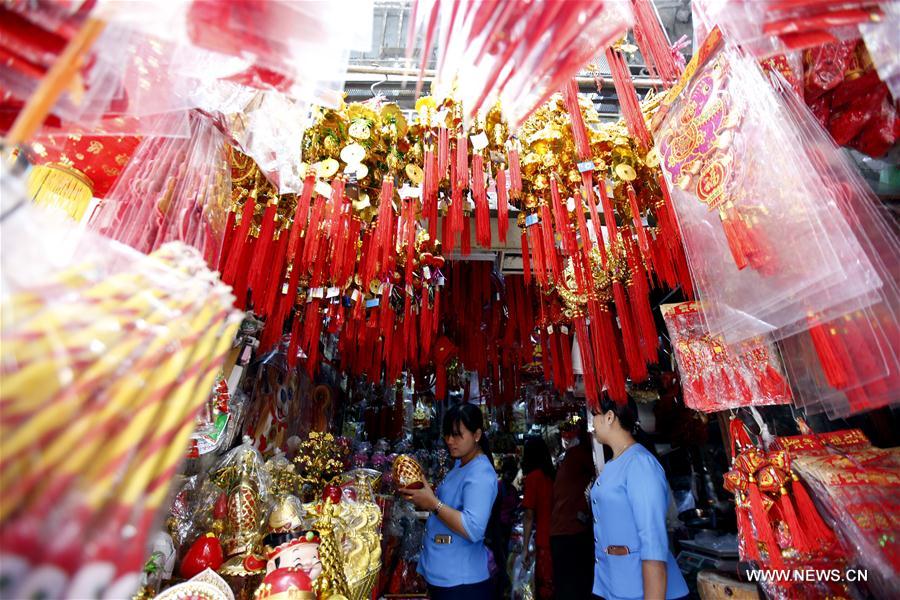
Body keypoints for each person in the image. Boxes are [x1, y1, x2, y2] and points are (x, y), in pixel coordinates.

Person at [590, 394, 689, 600]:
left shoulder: (640, 464)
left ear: (610, 417)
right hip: (616, 585)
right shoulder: (612, 465)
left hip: (646, 590)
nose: (592, 422)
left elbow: (653, 541)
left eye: (595, 415)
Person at [401, 403, 498, 600]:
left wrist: (433, 504)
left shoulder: (480, 473)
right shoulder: (461, 464)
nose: (450, 441)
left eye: (457, 435)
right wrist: (424, 495)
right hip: (446, 577)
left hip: (462, 583)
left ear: (477, 435)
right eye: (447, 435)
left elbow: (473, 528)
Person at [549, 417, 596, 599]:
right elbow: (600, 473)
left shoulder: (571, 456)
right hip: (571, 531)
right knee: (576, 586)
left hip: (563, 532)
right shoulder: (579, 455)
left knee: (568, 585)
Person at [521, 437, 555, 600]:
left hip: (544, 540)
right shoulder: (553, 474)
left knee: (544, 588)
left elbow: (528, 516)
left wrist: (525, 547)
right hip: (558, 537)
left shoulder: (533, 478)